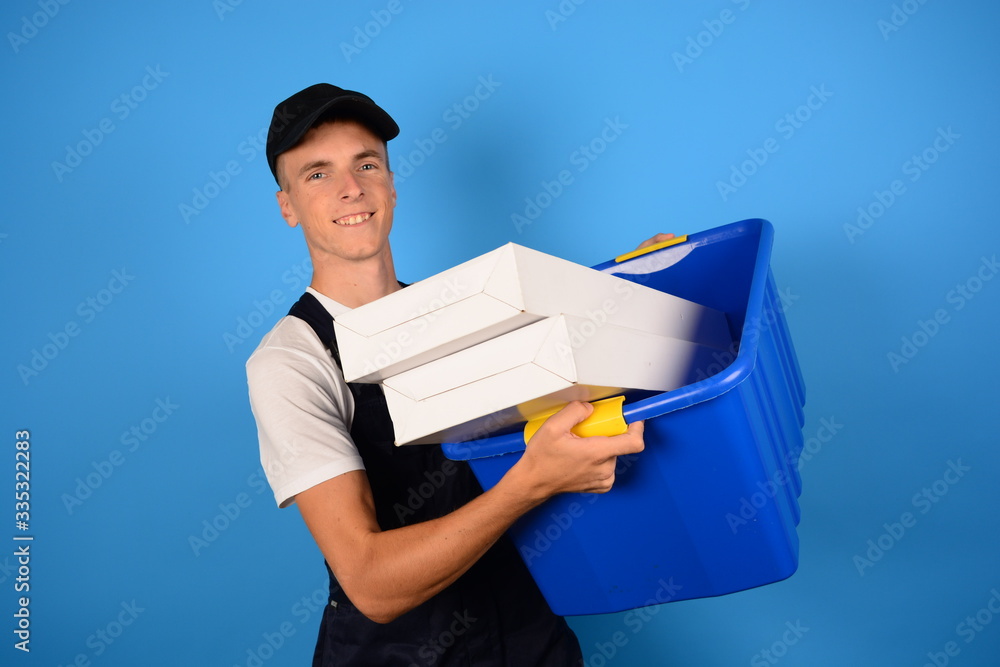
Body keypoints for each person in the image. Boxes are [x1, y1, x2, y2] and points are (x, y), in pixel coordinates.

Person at [247, 83, 648, 666]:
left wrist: (640, 288)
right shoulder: (291, 361)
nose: (351, 187)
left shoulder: (463, 315)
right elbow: (371, 584)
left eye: (366, 164)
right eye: (317, 174)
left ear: (391, 183)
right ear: (287, 206)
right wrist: (530, 484)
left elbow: (574, 387)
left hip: (530, 640)